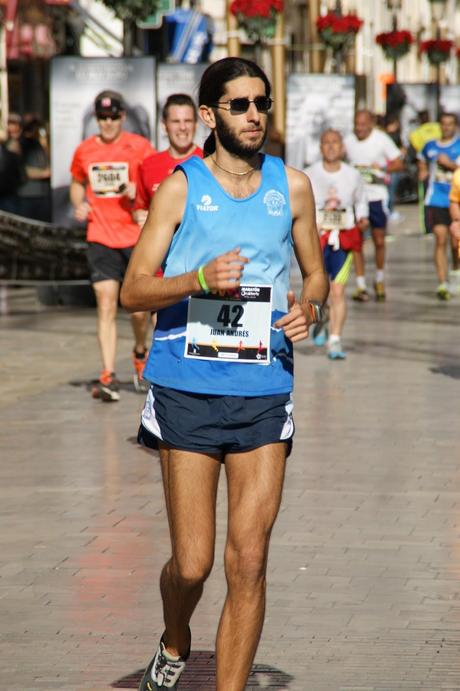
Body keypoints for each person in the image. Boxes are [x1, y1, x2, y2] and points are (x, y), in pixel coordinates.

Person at [120, 57, 329, 691]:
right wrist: (198, 281)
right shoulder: (181, 187)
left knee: (250, 561)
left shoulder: (290, 186)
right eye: (240, 105)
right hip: (186, 387)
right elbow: (133, 289)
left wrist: (310, 308)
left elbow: (315, 272)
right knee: (193, 564)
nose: (255, 115)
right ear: (210, 116)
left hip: (264, 390)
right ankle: (176, 636)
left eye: (261, 103)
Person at [70, 90, 156, 401]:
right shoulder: (84, 151)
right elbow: (78, 183)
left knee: (137, 310)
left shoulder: (140, 147)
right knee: (106, 304)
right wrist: (79, 205)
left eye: (112, 117)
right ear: (97, 119)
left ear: (121, 116)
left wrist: (138, 189)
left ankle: (139, 349)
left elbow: (155, 183)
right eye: (102, 118)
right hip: (100, 236)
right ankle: (107, 373)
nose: (107, 123)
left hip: (134, 237)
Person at [306, 129, 368, 360]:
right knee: (319, 293)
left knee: (338, 291)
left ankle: (335, 340)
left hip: (343, 239)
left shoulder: (353, 175)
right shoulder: (309, 175)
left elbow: (361, 201)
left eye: (335, 142)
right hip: (316, 239)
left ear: (342, 147)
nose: (331, 147)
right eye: (326, 142)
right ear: (320, 147)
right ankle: (321, 319)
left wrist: (362, 218)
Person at [344, 109, 404, 302]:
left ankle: (379, 279)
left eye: (363, 124)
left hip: (376, 196)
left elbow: (398, 163)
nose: (359, 128)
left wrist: (382, 168)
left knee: (379, 240)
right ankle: (360, 285)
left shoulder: (382, 139)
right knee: (356, 241)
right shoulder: (348, 140)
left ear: (371, 124)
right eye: (356, 124)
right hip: (355, 197)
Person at [134, 93, 203, 226]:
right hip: (161, 246)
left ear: (196, 124)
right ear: (164, 126)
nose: (182, 127)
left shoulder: (210, 161)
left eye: (188, 121)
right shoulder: (148, 165)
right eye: (176, 121)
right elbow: (139, 208)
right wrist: (139, 216)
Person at [417, 112, 460, 301]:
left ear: (455, 126)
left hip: (456, 199)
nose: (446, 127)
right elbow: (421, 159)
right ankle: (442, 283)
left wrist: (450, 165)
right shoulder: (431, 146)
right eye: (443, 124)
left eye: (450, 124)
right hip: (436, 199)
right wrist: (423, 170)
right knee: (440, 238)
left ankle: (456, 270)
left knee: (455, 240)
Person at [17, 116, 51, 222]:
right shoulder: (22, 144)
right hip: (28, 195)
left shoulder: (40, 145)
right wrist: (45, 173)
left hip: (43, 195)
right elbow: (23, 170)